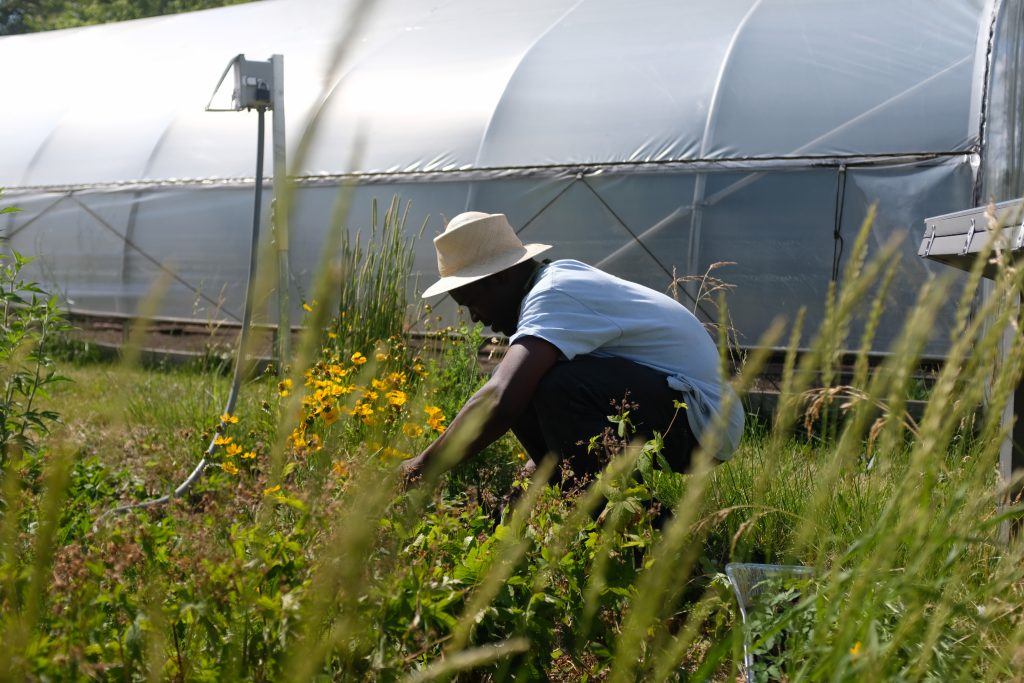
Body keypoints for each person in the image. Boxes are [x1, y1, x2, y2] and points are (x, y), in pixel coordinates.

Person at [400, 211, 744, 491]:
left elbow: (499, 398)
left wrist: (420, 467)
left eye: (472, 302)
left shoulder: (554, 292)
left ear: (500, 277)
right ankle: (591, 508)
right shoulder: (552, 287)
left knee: (541, 383)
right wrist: (530, 480)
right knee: (532, 380)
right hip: (685, 411)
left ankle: (636, 533)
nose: (476, 318)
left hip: (705, 421)